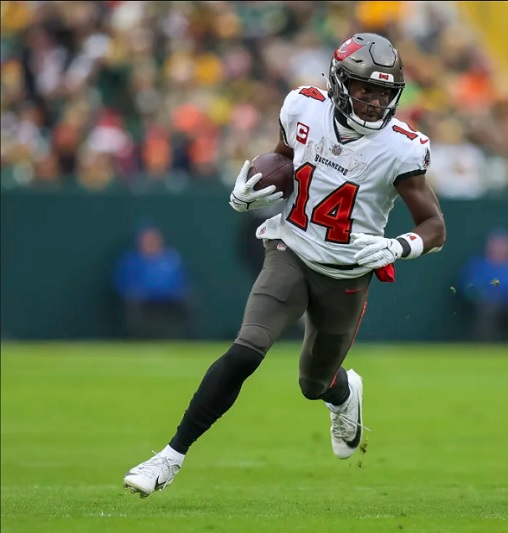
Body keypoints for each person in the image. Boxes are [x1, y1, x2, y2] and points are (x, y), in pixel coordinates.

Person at [123, 33, 446, 497]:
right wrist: (250, 186)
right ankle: (169, 457)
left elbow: (434, 225)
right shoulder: (303, 108)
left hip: (346, 273)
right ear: (339, 85)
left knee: (313, 384)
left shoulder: (401, 148)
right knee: (245, 350)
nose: (375, 102)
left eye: (383, 92)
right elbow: (282, 158)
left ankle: (342, 393)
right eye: (363, 90)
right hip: (290, 250)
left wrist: (401, 246)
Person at [113, 223, 193, 339]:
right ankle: (137, 339)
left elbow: (181, 281)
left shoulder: (172, 258)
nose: (150, 242)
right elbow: (122, 283)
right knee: (132, 303)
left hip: (169, 298)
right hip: (143, 299)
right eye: (146, 239)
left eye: (153, 239)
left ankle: (189, 339)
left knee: (188, 301)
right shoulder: (131, 260)